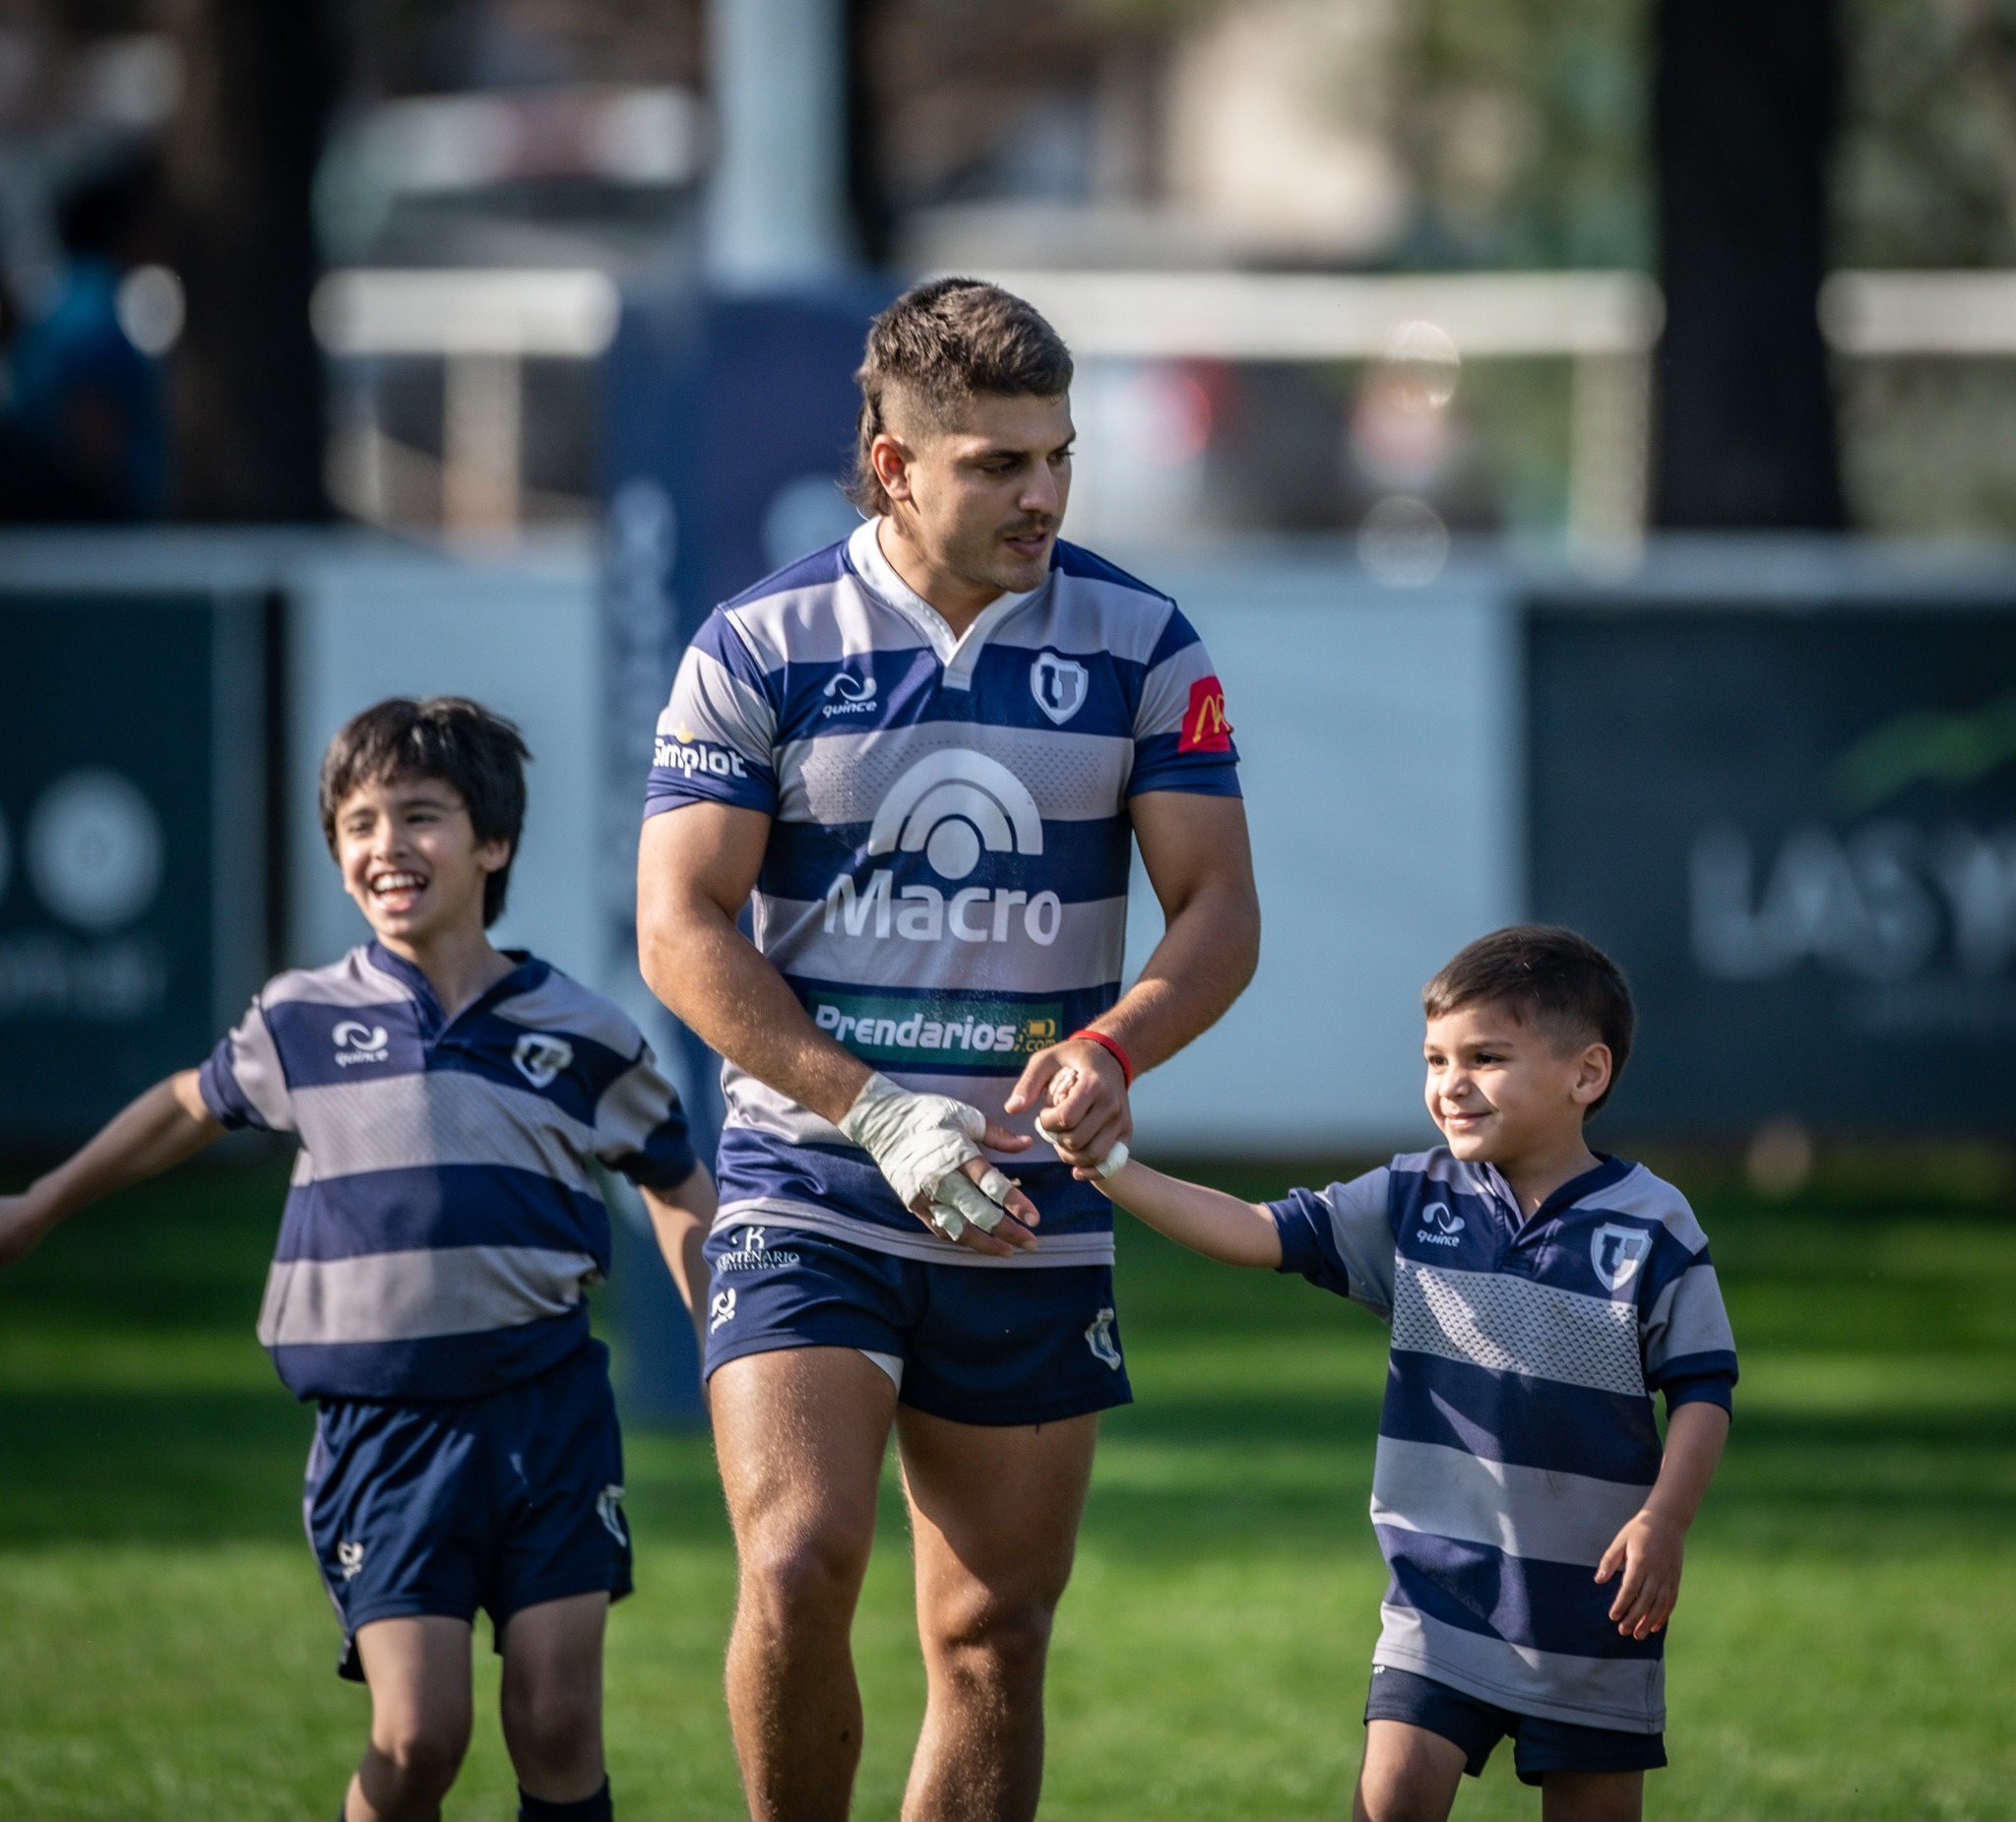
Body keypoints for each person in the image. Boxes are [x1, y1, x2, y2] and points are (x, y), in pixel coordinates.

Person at [636, 277, 1261, 1821]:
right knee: (795, 1559)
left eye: (1057, 455)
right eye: (997, 462)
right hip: (810, 1174)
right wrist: (872, 1110)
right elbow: (680, 926)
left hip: (1029, 1194)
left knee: (989, 1634)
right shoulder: (759, 641)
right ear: (893, 457)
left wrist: (1117, 1048)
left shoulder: (1143, 641)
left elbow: (1220, 911)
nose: (1041, 491)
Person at [0, 697, 717, 1822]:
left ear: (492, 844)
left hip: (550, 1411)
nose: (386, 846)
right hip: (385, 1433)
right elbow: (184, 1109)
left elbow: (672, 1174)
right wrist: (40, 1204)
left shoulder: (581, 1032)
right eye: (359, 823)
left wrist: (725, 1343)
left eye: (420, 817)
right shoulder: (300, 1020)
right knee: (419, 1737)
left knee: (558, 1718)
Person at [1072, 925, 1736, 1822]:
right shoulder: (1413, 1199)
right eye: (1435, 1059)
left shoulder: (1655, 1225)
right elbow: (1256, 1230)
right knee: (1390, 1798)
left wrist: (1666, 1518)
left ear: (1587, 1074)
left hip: (1594, 1609)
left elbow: (1702, 1390)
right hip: (1438, 1594)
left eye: (1485, 1057)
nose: (1449, 1085)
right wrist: (1109, 1166)